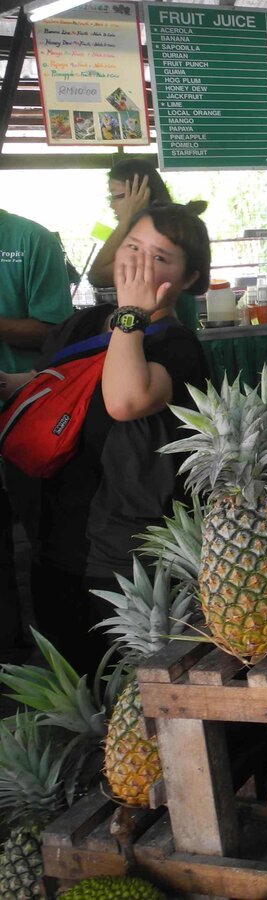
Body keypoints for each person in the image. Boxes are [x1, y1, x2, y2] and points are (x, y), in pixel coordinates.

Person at [1, 204, 211, 673]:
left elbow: (125, 400)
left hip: (122, 556)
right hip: (54, 535)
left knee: (130, 684)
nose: (138, 263)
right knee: (75, 678)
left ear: (190, 278)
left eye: (161, 257)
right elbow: (52, 384)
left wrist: (132, 316)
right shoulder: (83, 324)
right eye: (132, 247)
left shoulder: (177, 346)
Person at [0, 208, 74, 649]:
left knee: (43, 538)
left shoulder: (30, 239)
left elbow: (55, 331)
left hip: (27, 415)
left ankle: (49, 653)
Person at [90, 159, 207, 330]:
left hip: (164, 342)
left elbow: (97, 275)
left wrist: (128, 218)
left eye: (118, 196)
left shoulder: (162, 234)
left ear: (141, 194)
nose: (112, 205)